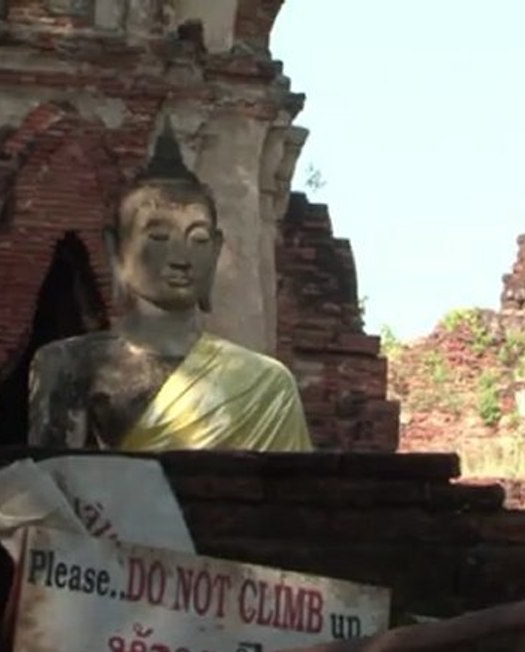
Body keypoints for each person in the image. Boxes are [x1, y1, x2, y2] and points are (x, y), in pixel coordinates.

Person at [27, 121, 312, 452]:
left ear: (217, 249)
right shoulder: (68, 364)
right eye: (158, 238)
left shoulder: (266, 384)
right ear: (116, 249)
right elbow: (59, 482)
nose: (181, 258)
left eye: (198, 239)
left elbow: (289, 495)